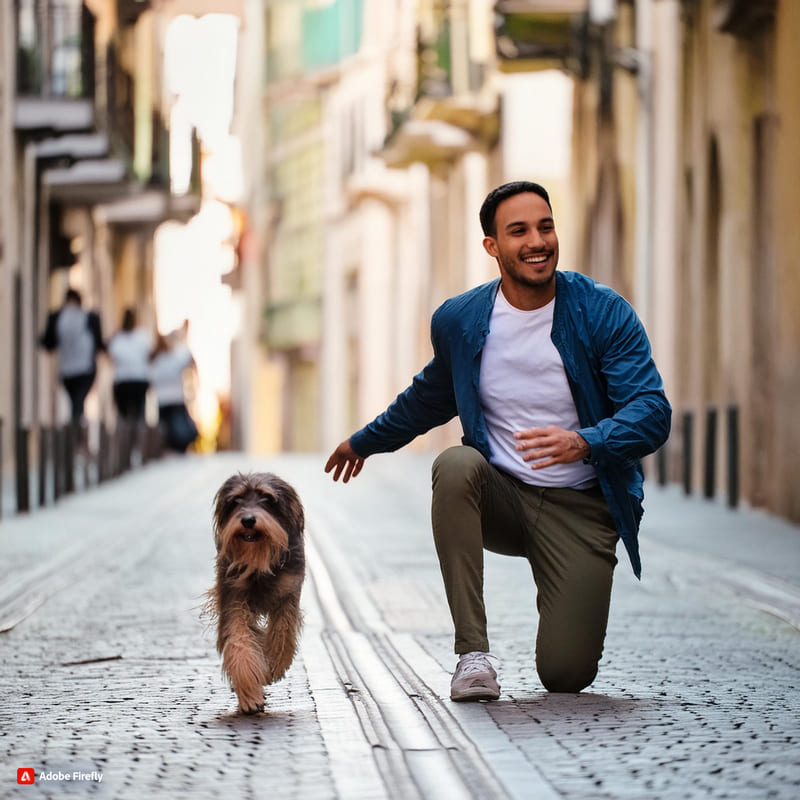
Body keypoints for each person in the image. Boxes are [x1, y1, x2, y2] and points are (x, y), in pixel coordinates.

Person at [325, 181, 671, 701]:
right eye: (519, 231)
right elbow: (430, 396)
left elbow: (652, 412)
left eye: (546, 226)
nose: (538, 241)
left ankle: (563, 589)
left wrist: (585, 441)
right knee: (456, 465)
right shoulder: (462, 320)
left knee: (566, 674)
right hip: (502, 495)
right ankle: (473, 656)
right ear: (492, 246)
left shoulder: (601, 312)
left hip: (580, 508)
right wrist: (365, 442)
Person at [40, 288, 105, 425]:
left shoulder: (58, 317)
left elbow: (48, 343)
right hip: (84, 368)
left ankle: (76, 427)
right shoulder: (88, 317)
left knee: (75, 402)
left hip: (68, 370)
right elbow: (99, 344)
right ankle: (77, 429)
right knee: (78, 402)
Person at [149, 324, 198, 453]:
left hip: (162, 400)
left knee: (167, 430)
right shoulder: (173, 358)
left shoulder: (155, 362)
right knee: (180, 428)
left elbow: (150, 379)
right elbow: (188, 358)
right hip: (176, 398)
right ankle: (180, 448)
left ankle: (169, 449)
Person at [108, 308, 151, 423]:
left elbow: (111, 357)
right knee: (139, 415)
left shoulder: (117, 338)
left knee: (124, 416)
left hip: (123, 381)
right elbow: (148, 356)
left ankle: (128, 438)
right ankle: (138, 438)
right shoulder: (143, 336)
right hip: (139, 380)